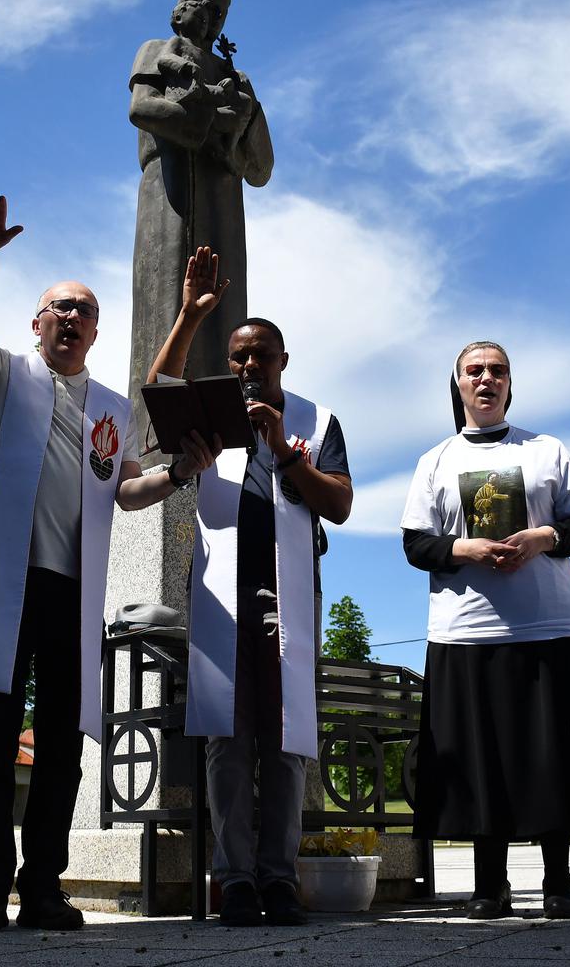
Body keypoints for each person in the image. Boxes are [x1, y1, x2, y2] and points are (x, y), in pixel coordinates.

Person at [0, 192, 217, 932]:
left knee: (63, 746)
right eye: (59, 309)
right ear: (36, 323)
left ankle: (42, 887)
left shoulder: (109, 405)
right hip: (5, 579)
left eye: (84, 312)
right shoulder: (3, 379)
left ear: (97, 331)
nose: (71, 319)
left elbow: (128, 489)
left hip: (74, 588)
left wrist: (178, 474)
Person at [145, 246, 352, 926]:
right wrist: (189, 315)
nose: (246, 365)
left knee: (286, 742)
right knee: (227, 742)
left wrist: (287, 452)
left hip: (286, 602)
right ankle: (234, 880)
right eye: (237, 355)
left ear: (282, 361)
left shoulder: (315, 421)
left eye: (259, 354)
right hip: (222, 602)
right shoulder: (213, 413)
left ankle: (278, 879)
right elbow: (160, 385)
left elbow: (341, 504)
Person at [400, 341, 570, 920]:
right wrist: (463, 548)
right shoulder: (435, 460)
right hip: (466, 631)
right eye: (475, 371)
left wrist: (543, 538)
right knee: (479, 761)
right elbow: (416, 544)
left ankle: (558, 881)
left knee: (551, 756)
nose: (486, 379)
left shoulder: (547, 450)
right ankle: (489, 883)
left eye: (497, 371)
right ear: (459, 385)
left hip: (548, 624)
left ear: (510, 385)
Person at [126, 0, 274, 463]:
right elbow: (142, 109)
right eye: (201, 8)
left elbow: (260, 168)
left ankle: (226, 431)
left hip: (223, 202)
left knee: (225, 311)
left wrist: (241, 117)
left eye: (219, 14)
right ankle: (154, 435)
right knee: (166, 300)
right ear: (178, 12)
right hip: (168, 199)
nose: (210, 19)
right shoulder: (156, 51)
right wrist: (209, 119)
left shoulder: (238, 78)